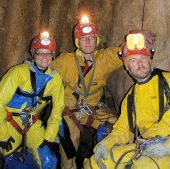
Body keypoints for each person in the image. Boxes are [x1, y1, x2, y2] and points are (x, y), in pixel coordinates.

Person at [84, 31, 170, 169]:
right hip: (143, 148)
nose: (139, 64)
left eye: (143, 58)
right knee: (94, 163)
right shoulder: (130, 97)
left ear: (149, 60)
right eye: (133, 60)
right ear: (127, 68)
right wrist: (104, 145)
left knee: (144, 166)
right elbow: (122, 130)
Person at [50, 15, 156, 169]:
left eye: (91, 38)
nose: (87, 41)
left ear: (96, 40)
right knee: (69, 152)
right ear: (77, 42)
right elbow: (44, 70)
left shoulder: (104, 59)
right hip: (68, 113)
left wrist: (136, 34)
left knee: (118, 129)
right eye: (83, 38)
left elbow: (126, 50)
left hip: (91, 111)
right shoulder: (65, 61)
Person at [0, 31, 65, 169]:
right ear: (33, 54)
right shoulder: (18, 72)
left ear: (53, 55)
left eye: (48, 53)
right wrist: (2, 135)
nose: (45, 57)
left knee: (48, 161)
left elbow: (57, 110)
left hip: (32, 122)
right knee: (15, 164)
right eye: (40, 53)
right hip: (9, 122)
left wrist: (49, 137)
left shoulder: (55, 79)